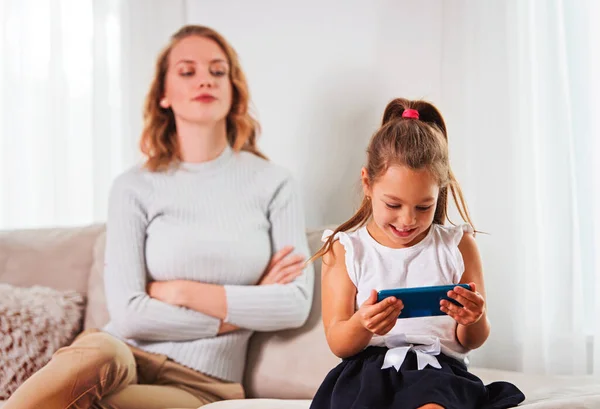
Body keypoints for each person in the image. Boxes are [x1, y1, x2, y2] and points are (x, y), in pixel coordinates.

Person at [4, 25, 314, 409]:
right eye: (188, 71)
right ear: (164, 95)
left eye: (218, 71)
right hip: (118, 351)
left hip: (202, 383)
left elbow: (294, 304)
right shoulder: (133, 186)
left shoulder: (274, 183)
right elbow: (131, 315)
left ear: (233, 90)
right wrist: (245, 309)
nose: (205, 79)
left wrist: (182, 292)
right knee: (92, 354)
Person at [309, 98, 524, 409]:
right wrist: (363, 323)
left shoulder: (458, 245)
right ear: (367, 183)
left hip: (436, 369)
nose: (408, 220)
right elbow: (338, 342)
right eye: (393, 205)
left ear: (441, 191)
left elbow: (471, 339)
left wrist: (473, 318)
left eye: (424, 206)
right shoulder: (345, 249)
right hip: (366, 373)